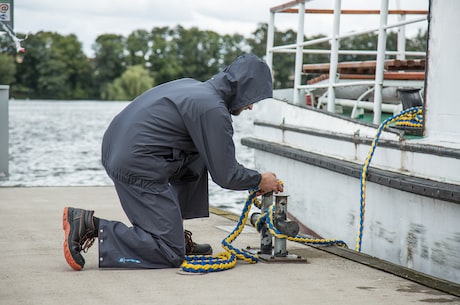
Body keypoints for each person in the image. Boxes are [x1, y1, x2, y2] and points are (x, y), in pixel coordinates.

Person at [63, 53, 284, 271]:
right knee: (169, 251)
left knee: (200, 154)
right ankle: (89, 225)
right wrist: (259, 180)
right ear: (243, 89)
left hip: (119, 148)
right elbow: (226, 175)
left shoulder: (193, 88)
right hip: (136, 162)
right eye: (252, 98)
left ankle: (175, 233)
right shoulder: (213, 110)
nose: (251, 107)